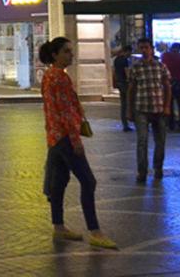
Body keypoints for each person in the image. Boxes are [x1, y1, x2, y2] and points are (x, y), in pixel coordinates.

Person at [40, 37, 117, 249]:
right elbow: (64, 112)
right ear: (55, 55)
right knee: (88, 181)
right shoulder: (60, 79)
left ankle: (58, 226)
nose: (70, 55)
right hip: (64, 137)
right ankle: (95, 231)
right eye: (66, 51)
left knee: (59, 182)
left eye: (70, 51)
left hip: (54, 137)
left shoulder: (48, 76)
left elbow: (52, 110)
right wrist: (75, 140)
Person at [127, 37, 171, 183]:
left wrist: (166, 106)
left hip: (158, 110)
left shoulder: (160, 66)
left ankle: (158, 168)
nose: (144, 50)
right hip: (141, 109)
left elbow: (167, 87)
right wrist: (129, 110)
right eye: (141, 48)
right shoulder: (136, 68)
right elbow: (131, 89)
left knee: (160, 141)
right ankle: (142, 171)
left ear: (151, 49)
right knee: (142, 141)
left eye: (146, 47)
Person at [161, 42, 180, 130]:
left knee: (169, 102)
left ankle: (170, 123)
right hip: (179, 81)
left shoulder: (165, 56)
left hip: (169, 82)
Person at [112, 45, 132, 131]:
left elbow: (115, 72)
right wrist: (129, 80)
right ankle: (129, 121)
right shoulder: (124, 60)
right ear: (127, 51)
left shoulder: (116, 59)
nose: (130, 54)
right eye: (130, 52)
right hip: (125, 84)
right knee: (128, 103)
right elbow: (126, 71)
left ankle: (125, 124)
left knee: (123, 104)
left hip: (120, 83)